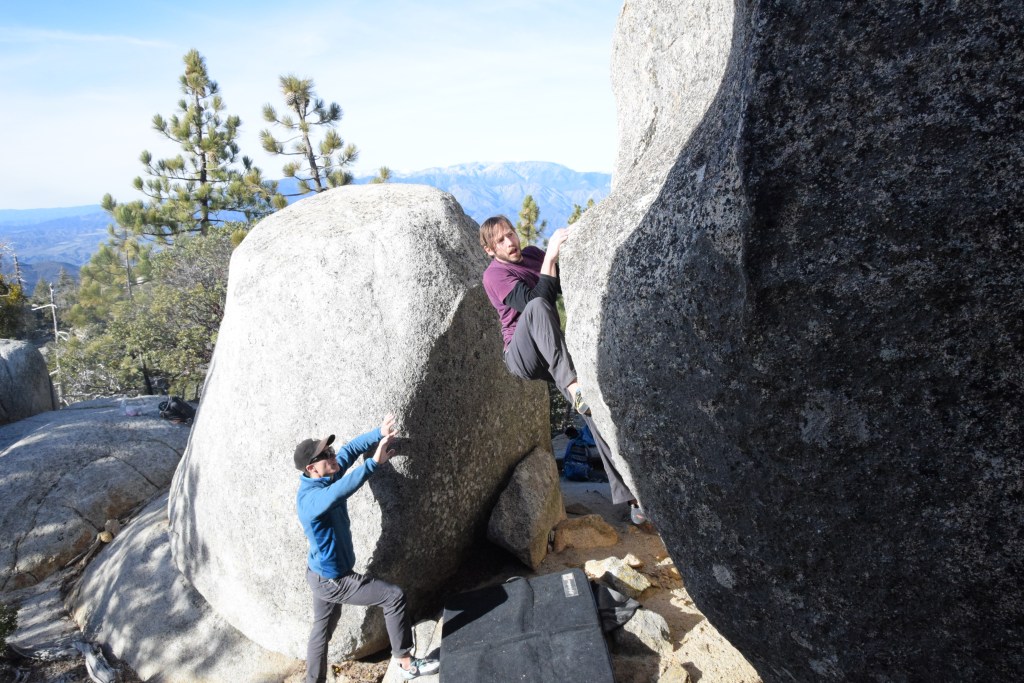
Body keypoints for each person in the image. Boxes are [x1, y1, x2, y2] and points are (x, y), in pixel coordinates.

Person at [479, 215, 645, 524]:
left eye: (510, 234)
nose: (510, 241)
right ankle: (572, 384)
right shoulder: (495, 275)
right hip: (523, 354)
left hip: (551, 346)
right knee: (538, 307)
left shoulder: (530, 254)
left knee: (591, 414)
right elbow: (537, 300)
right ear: (490, 249)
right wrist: (551, 255)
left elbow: (562, 283)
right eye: (500, 240)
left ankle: (632, 500)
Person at [294, 415, 440, 682]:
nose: (332, 453)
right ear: (311, 468)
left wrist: (378, 433)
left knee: (321, 632)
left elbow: (349, 450)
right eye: (326, 454)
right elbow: (338, 493)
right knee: (393, 597)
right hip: (333, 580)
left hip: (319, 575)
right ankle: (406, 664)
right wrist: (373, 464)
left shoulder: (325, 475)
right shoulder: (310, 501)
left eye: (329, 449)